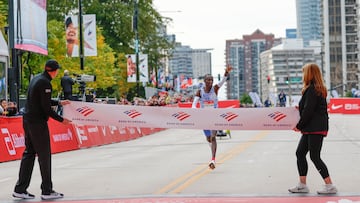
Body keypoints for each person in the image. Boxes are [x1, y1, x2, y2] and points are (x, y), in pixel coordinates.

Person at [13, 59, 72, 200]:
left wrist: (58, 102)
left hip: (27, 120)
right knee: (44, 156)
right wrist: (61, 120)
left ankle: (20, 189)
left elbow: (40, 100)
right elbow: (46, 108)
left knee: (29, 154)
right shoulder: (46, 83)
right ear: (54, 71)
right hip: (37, 123)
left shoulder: (37, 79)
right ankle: (47, 190)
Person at [288, 63, 337, 194]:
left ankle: (330, 185)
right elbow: (310, 108)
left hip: (314, 128)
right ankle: (302, 184)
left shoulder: (312, 89)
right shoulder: (317, 89)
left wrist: (299, 126)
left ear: (309, 74)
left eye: (304, 72)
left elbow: (309, 111)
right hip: (313, 127)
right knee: (300, 153)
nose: (303, 75)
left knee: (315, 157)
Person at [192, 65, 232, 169]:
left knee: (213, 137)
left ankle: (213, 160)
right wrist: (196, 111)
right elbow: (193, 105)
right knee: (209, 138)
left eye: (211, 80)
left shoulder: (215, 89)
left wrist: (226, 72)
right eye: (208, 80)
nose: (210, 81)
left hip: (214, 116)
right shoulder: (199, 92)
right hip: (204, 118)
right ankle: (211, 149)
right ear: (204, 81)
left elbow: (223, 81)